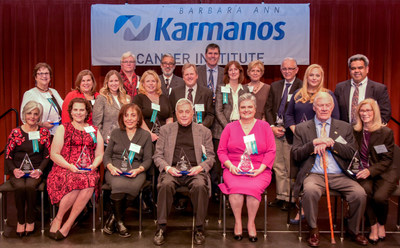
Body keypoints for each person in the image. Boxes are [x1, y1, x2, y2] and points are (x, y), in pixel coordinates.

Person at [292, 92, 368, 247]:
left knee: (359, 194)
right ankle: (313, 229)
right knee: (310, 191)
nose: (324, 108)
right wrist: (313, 143)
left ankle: (353, 230)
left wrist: (332, 144)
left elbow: (353, 153)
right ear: (314, 107)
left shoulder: (345, 127)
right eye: (320, 105)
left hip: (340, 174)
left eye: (328, 105)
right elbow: (296, 155)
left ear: (333, 107)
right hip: (314, 173)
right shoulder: (302, 128)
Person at [152, 98, 215, 246]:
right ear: (176, 114)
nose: (184, 115)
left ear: (193, 113)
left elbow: (211, 157)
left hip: (195, 171)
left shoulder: (204, 131)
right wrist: (168, 168)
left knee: (200, 186)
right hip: (172, 170)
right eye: (181, 112)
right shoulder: (165, 130)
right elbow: (158, 156)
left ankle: (199, 228)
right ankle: (161, 227)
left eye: (187, 111)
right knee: (165, 185)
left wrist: (200, 168)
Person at [218, 93, 276, 242]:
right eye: (243, 107)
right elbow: (221, 151)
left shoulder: (264, 126)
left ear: (255, 108)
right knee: (236, 189)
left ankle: (251, 223)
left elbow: (271, 151)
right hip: (234, 169)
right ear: (238, 109)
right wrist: (230, 166)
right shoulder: (230, 127)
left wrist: (261, 169)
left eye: (250, 107)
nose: (246, 110)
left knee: (252, 190)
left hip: (259, 169)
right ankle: (238, 222)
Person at [47, 97, 104, 240]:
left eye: (82, 110)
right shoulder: (63, 128)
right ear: (71, 112)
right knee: (76, 179)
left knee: (90, 180)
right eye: (75, 110)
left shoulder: (94, 130)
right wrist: (70, 166)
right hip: (64, 167)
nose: (78, 113)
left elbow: (99, 154)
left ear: (87, 113)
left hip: (87, 169)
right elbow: (54, 154)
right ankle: (59, 218)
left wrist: (94, 165)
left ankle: (69, 223)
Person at [102, 103, 153, 237]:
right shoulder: (115, 133)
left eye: (133, 115)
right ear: (122, 118)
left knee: (134, 186)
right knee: (118, 185)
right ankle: (120, 222)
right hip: (115, 169)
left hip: (136, 169)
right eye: (126, 115)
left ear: (138, 118)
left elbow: (148, 159)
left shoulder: (145, 135)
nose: (129, 118)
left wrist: (139, 170)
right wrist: (110, 167)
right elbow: (106, 156)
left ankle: (114, 217)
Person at [353, 99, 398, 244]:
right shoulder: (355, 131)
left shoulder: (385, 132)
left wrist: (369, 171)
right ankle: (372, 226)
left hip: (384, 172)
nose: (365, 113)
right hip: (362, 172)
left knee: (379, 197)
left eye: (368, 110)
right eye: (362, 110)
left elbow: (386, 160)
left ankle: (381, 224)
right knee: (364, 193)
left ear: (375, 112)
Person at [4, 101, 50, 237]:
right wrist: (14, 170)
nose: (32, 116)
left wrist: (40, 170)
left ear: (39, 116)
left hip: (35, 171)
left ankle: (30, 219)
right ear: (24, 114)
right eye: (29, 113)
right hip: (17, 170)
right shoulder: (16, 132)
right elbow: (8, 155)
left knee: (30, 186)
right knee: (19, 187)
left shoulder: (44, 132)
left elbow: (47, 156)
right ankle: (20, 220)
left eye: (36, 114)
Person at [265, 57, 302, 211]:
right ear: (281, 70)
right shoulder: (275, 86)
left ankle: (291, 198)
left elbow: (299, 112)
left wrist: (287, 127)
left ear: (297, 70)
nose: (287, 71)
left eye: (290, 69)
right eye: (284, 69)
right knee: (278, 166)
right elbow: (268, 108)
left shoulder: (302, 86)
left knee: (289, 166)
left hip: (291, 132)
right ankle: (281, 196)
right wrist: (272, 126)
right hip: (275, 130)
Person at [213, 61, 249, 198]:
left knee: (237, 160)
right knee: (219, 164)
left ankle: (236, 189)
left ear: (240, 72)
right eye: (230, 70)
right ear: (227, 72)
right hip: (222, 130)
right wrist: (229, 127)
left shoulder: (245, 89)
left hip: (241, 130)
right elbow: (218, 110)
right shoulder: (221, 87)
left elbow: (247, 110)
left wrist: (237, 128)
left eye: (236, 69)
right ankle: (218, 192)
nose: (233, 72)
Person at [334, 54, 391, 124]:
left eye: (360, 68)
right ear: (349, 70)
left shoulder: (379, 89)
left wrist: (373, 129)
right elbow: (335, 112)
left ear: (367, 69)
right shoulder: (340, 88)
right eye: (353, 68)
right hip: (345, 131)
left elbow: (385, 113)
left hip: (370, 131)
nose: (356, 71)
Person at [285, 64, 340, 134]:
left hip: (321, 135)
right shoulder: (297, 94)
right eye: (311, 75)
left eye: (317, 75)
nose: (314, 78)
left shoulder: (328, 94)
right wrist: (296, 131)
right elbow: (289, 115)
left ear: (321, 78)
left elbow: (335, 117)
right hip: (300, 135)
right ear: (306, 77)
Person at [20, 62, 63, 135]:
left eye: (46, 73)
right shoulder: (30, 94)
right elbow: (24, 117)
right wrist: (41, 124)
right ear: (35, 77)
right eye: (40, 73)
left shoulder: (54, 91)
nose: (44, 76)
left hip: (58, 133)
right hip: (40, 134)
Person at [169, 63, 215, 128]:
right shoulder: (175, 92)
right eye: (186, 74)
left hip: (199, 131)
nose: (189, 77)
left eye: (191, 74)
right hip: (179, 129)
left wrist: (202, 125)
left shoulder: (207, 93)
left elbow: (210, 115)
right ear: (183, 77)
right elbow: (171, 113)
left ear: (197, 76)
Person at [133, 70, 173, 142]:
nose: (151, 84)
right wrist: (149, 134)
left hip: (164, 138)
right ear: (143, 84)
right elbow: (138, 118)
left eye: (153, 81)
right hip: (144, 137)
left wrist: (165, 133)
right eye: (148, 81)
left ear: (157, 83)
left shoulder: (164, 98)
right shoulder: (138, 98)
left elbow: (170, 117)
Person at [93, 70, 131, 145]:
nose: (114, 83)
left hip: (126, 138)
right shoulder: (101, 98)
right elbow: (97, 123)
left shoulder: (127, 98)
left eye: (116, 80)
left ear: (120, 82)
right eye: (111, 81)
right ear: (107, 83)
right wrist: (104, 138)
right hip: (109, 140)